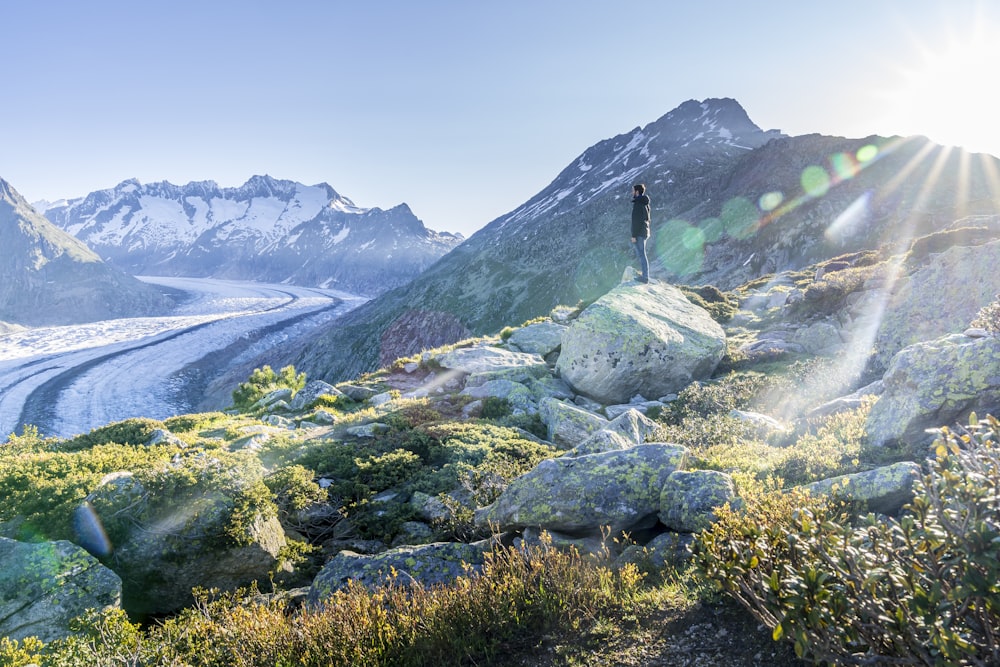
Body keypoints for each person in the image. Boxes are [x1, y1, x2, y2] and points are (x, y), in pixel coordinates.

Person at [630, 183, 651, 283]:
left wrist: (634, 235)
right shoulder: (645, 203)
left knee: (642, 255)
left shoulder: (638, 204)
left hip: (639, 233)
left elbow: (636, 221)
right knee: (643, 254)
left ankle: (645, 277)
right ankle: (645, 275)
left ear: (637, 191)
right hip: (644, 231)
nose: (632, 192)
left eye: (633, 190)